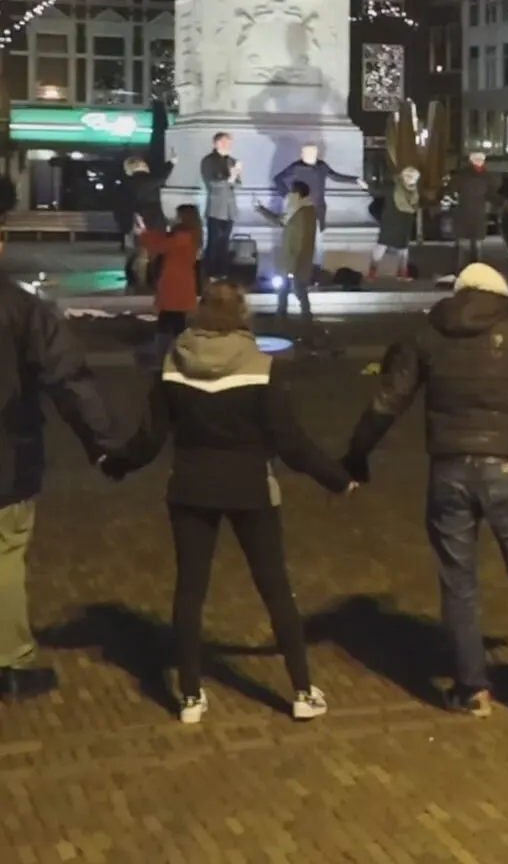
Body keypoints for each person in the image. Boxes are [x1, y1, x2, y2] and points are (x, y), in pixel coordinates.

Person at [341, 263, 508, 724]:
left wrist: (357, 455)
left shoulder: (429, 335)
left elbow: (387, 401)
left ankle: (472, 689)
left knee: (458, 582)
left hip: (450, 469)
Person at [102, 282, 355, 724]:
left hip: (190, 487)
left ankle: (190, 696)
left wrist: (116, 464)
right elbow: (292, 443)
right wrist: (337, 479)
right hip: (251, 488)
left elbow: (149, 439)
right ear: (242, 316)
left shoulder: (174, 364)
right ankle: (301, 690)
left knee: (190, 591)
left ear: (200, 315)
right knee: (275, 588)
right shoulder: (261, 368)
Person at [0, 176, 116, 704]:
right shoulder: (21, 309)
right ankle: (10, 662)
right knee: (5, 557)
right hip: (7, 457)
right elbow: (68, 377)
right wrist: (102, 443)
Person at [273, 144, 363, 263]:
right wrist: (287, 195)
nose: (303, 155)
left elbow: (336, 176)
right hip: (301, 209)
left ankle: (317, 266)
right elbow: (278, 179)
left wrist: (355, 180)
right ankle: (299, 265)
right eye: (304, 152)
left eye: (307, 153)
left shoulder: (321, 166)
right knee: (299, 240)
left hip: (317, 209)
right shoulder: (296, 167)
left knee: (319, 241)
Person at [141, 204, 203, 352]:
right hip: (183, 280)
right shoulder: (191, 234)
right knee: (176, 317)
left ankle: (169, 349)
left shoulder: (183, 236)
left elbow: (160, 246)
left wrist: (144, 234)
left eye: (178, 216)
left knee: (169, 317)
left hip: (174, 281)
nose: (175, 219)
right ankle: (177, 348)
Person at [265, 182, 317, 340]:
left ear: (299, 194)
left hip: (294, 261)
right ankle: (284, 319)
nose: (289, 195)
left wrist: (292, 267)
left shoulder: (302, 212)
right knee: (287, 289)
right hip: (292, 261)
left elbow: (299, 240)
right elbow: (281, 221)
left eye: (292, 192)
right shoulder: (299, 209)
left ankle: (304, 322)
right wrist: (261, 210)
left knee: (297, 289)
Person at [118, 155, 173, 291]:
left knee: (139, 251)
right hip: (154, 219)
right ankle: (150, 280)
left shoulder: (126, 183)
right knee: (154, 252)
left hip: (137, 220)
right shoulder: (149, 180)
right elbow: (162, 177)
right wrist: (171, 163)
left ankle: (135, 280)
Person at [200, 134, 240, 278]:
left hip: (229, 209)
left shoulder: (232, 161)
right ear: (216, 143)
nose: (228, 145)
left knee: (225, 242)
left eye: (230, 143)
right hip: (216, 208)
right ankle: (211, 273)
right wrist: (230, 179)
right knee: (214, 242)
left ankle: (222, 272)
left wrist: (236, 176)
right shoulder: (208, 161)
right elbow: (212, 184)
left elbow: (238, 184)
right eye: (225, 142)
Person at [370, 166, 420, 281]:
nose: (414, 181)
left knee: (403, 249)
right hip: (391, 222)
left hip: (403, 222)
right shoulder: (394, 188)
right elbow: (378, 191)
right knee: (382, 245)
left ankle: (402, 273)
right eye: (413, 178)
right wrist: (367, 187)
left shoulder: (413, 190)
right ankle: (373, 271)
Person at [450, 153, 494, 268]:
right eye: (477, 159)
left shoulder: (482, 175)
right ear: (472, 160)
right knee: (469, 245)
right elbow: (452, 190)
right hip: (470, 212)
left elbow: (491, 193)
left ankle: (467, 270)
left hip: (472, 212)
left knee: (472, 245)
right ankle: (470, 270)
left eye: (481, 159)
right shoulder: (483, 176)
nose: (480, 161)